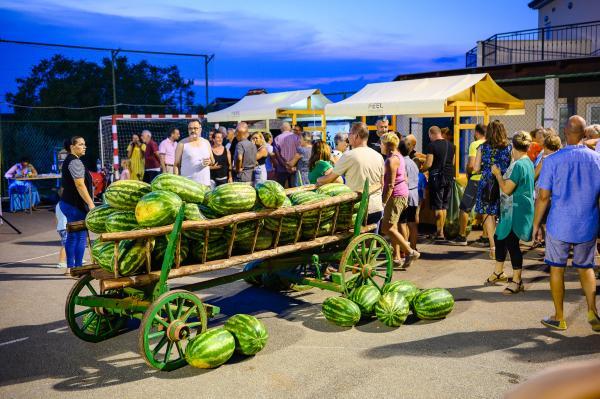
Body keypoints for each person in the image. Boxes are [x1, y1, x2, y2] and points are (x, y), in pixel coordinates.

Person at [534, 115, 600, 332]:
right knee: (585, 267)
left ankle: (559, 317)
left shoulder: (552, 160)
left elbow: (543, 196)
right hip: (588, 222)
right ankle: (593, 311)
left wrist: (535, 225)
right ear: (584, 134)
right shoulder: (597, 159)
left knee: (557, 268)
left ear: (564, 132)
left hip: (560, 223)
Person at [484, 131, 535, 294]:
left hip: (516, 210)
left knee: (512, 244)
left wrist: (498, 174)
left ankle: (517, 280)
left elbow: (506, 188)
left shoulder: (519, 164)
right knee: (499, 239)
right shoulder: (526, 161)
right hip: (513, 209)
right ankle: (498, 272)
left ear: (514, 145)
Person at [317, 122, 384, 227]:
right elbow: (382, 182)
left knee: (353, 241)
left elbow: (330, 178)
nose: (348, 136)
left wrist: (319, 180)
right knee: (371, 241)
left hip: (358, 208)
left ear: (356, 136)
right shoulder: (378, 156)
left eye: (349, 133)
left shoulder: (349, 155)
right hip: (376, 207)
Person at [379, 133, 420, 268]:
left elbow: (390, 185)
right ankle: (398, 256)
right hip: (401, 194)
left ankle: (410, 251)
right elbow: (405, 178)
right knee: (393, 226)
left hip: (395, 196)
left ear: (387, 145)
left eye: (381, 143)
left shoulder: (391, 160)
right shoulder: (399, 156)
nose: (380, 146)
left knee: (387, 227)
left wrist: (383, 202)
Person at [473, 120, 512, 259]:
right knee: (504, 214)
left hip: (487, 183)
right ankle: (504, 244)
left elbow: (476, 168)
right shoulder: (509, 147)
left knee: (489, 214)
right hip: (504, 182)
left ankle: (493, 246)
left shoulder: (482, 147)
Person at [59, 136, 94, 271]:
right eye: (81, 144)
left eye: (84, 144)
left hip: (68, 203)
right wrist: (91, 204)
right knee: (80, 237)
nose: (84, 146)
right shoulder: (75, 162)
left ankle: (71, 268)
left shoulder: (71, 160)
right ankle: (77, 268)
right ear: (72, 147)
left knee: (73, 236)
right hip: (74, 205)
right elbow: (80, 185)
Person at [449, 123, 486, 246]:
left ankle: (462, 236)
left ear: (477, 133)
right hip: (488, 180)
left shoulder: (475, 144)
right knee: (486, 208)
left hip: (475, 179)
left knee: (464, 207)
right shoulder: (491, 145)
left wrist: (468, 173)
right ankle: (486, 236)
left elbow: (471, 165)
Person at [421, 126, 455, 241]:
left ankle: (439, 232)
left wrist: (421, 169)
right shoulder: (451, 146)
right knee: (444, 205)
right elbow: (453, 162)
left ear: (431, 134)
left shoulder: (432, 146)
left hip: (437, 178)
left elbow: (429, 164)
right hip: (449, 177)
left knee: (437, 206)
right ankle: (442, 232)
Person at [175, 119, 214, 187]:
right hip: (188, 186)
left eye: (195, 128)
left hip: (205, 185)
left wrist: (209, 162)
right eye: (190, 128)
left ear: (200, 129)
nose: (192, 131)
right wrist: (176, 183)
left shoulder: (206, 142)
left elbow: (213, 160)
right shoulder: (182, 143)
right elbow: (176, 165)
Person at [398, 139, 420, 251]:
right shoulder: (413, 162)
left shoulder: (401, 163)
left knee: (402, 222)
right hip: (414, 194)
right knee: (412, 223)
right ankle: (414, 247)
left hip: (405, 194)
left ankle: (405, 249)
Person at [273, 122, 301, 187]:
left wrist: (285, 165)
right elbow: (299, 152)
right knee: (294, 189)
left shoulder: (277, 138)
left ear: (281, 129)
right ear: (290, 128)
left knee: (281, 189)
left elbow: (277, 155)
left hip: (282, 168)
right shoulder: (297, 137)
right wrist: (292, 165)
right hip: (294, 167)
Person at [55, 196, 67, 269]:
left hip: (61, 227)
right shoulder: (67, 204)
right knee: (66, 245)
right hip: (66, 227)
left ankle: (76, 259)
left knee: (72, 243)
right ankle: (61, 262)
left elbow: (56, 217)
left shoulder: (58, 204)